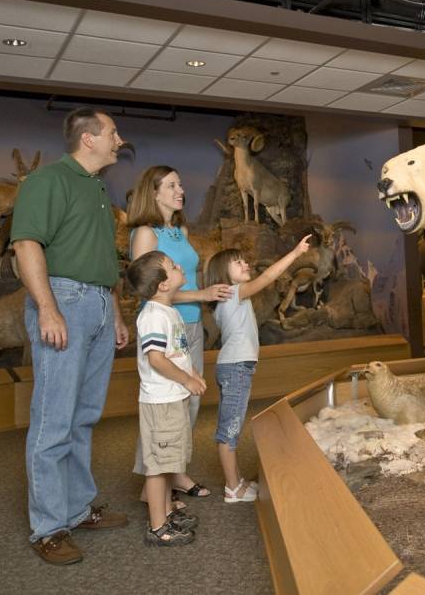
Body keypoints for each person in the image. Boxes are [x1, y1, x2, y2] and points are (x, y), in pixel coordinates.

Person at [11, 108, 130, 566]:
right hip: (63, 299)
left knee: (83, 416)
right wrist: (47, 308)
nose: (119, 140)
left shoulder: (98, 188)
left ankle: (77, 508)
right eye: (113, 133)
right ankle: (48, 527)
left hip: (97, 302)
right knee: (53, 419)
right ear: (88, 138)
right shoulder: (46, 182)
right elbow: (26, 246)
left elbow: (100, 261)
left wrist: (114, 313)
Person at [126, 166, 231, 503]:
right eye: (171, 184)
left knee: (190, 400)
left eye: (181, 183)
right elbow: (151, 290)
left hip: (190, 323)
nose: (180, 189)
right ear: (153, 192)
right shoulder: (145, 232)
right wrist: (201, 295)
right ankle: (152, 483)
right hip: (165, 325)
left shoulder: (179, 230)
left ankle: (176, 473)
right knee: (164, 404)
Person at [204, 235, 312, 502]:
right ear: (222, 275)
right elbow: (266, 280)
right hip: (236, 367)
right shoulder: (233, 293)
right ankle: (232, 489)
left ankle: (236, 481)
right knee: (229, 430)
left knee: (231, 425)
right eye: (236, 262)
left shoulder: (228, 298)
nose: (244, 264)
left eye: (243, 260)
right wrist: (296, 253)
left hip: (234, 366)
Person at [125, 250, 207, 547]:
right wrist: (186, 379)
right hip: (161, 402)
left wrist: (193, 374)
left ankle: (167, 512)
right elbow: (157, 359)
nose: (179, 266)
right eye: (173, 266)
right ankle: (158, 526)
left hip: (174, 398)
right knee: (158, 466)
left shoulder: (169, 311)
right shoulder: (152, 316)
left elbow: (179, 353)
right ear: (162, 284)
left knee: (170, 459)